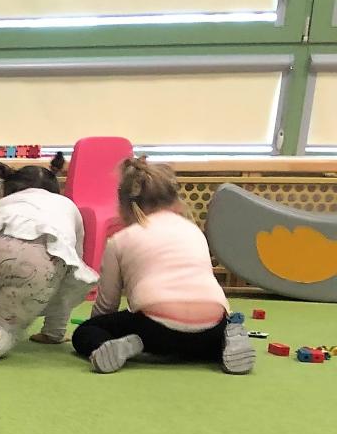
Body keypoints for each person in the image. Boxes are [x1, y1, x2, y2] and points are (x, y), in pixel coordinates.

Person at [72, 157, 253, 375]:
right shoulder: (193, 231)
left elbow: (106, 306)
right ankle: (225, 342)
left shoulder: (120, 240)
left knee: (85, 332)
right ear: (176, 201)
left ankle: (116, 346)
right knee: (196, 342)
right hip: (213, 324)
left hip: (155, 329)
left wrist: (101, 328)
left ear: (124, 207)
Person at [0, 153, 97, 361]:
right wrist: (54, 332)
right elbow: (71, 270)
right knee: (4, 325)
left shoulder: (6, 203)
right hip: (37, 260)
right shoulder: (68, 207)